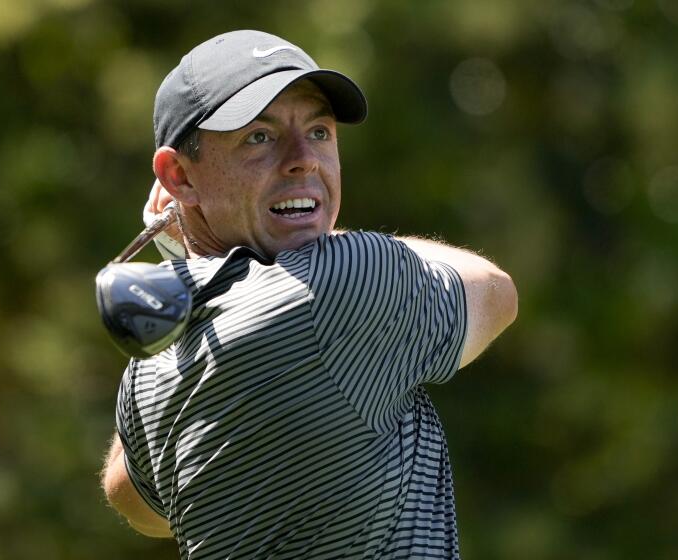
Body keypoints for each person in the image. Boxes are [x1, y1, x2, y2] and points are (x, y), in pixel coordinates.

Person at [100, 29, 517, 559]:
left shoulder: (152, 367)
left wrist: (189, 266)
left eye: (319, 131)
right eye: (259, 137)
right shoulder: (349, 280)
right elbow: (495, 292)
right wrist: (313, 249)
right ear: (179, 176)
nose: (304, 160)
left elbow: (132, 496)